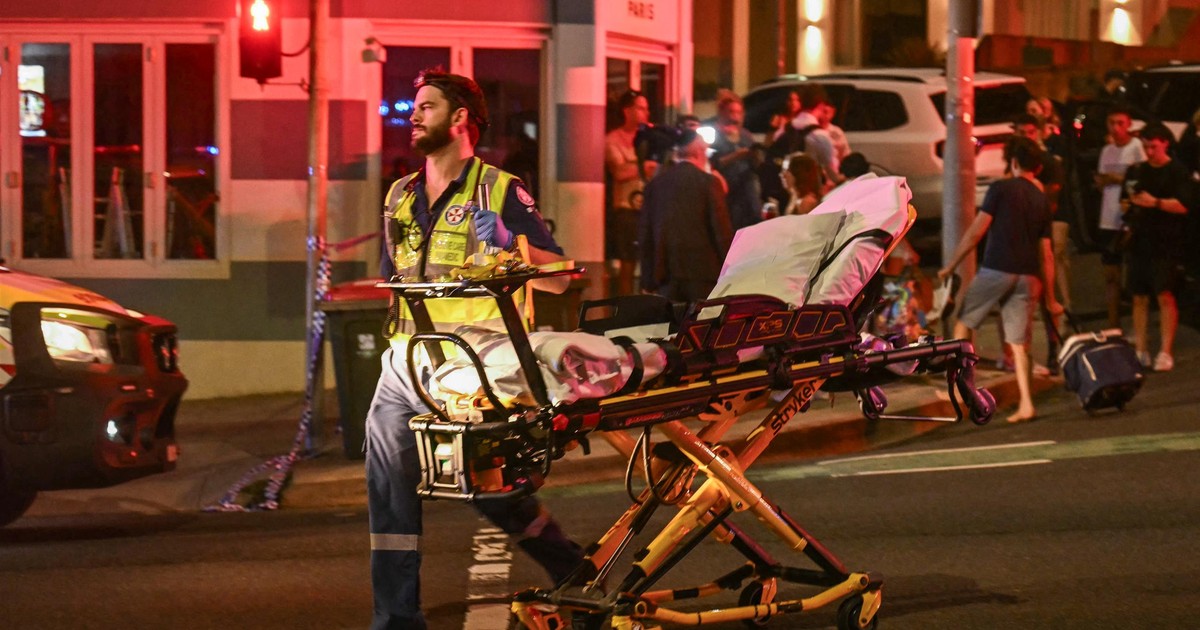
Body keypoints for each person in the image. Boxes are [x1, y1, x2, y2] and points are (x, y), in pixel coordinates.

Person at [369, 69, 582, 630]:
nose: (412, 116)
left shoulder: (500, 190)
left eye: (426, 106)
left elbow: (561, 278)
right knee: (389, 492)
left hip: (476, 366)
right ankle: (395, 619)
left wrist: (514, 244)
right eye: (413, 107)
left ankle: (573, 571)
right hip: (405, 365)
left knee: (488, 487)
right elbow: (393, 280)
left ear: (460, 118)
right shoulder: (399, 195)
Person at [938, 137, 1062, 423]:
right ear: (1038, 167)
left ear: (1013, 163)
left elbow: (976, 232)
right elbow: (1047, 253)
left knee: (964, 323)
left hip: (997, 269)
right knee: (1021, 344)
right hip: (1029, 277)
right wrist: (1051, 297)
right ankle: (1027, 404)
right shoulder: (1042, 200)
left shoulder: (1001, 189)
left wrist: (951, 266)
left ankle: (961, 388)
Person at [1120, 123, 1193, 371]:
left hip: (1166, 241)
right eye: (1145, 146)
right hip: (1140, 240)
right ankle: (1141, 349)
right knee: (1139, 297)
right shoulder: (1136, 171)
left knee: (1164, 294)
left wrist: (1156, 203)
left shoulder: (1177, 171)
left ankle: (1165, 350)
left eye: (1153, 146)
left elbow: (1184, 206)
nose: (1149, 152)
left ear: (1165, 143)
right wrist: (1129, 205)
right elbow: (1124, 200)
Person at [639, 129, 734, 301]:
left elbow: (646, 234)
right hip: (704, 274)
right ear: (699, 151)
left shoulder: (655, 185)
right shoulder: (709, 183)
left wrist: (647, 279)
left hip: (666, 275)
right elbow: (721, 231)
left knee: (671, 326)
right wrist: (731, 270)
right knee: (701, 326)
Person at [1093, 106, 1146, 329]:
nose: (1115, 128)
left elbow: (1139, 179)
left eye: (1120, 123)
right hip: (1108, 217)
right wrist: (1110, 179)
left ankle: (1138, 324)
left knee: (1135, 274)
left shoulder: (1137, 148)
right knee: (1111, 275)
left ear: (1129, 124)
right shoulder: (1106, 150)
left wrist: (1116, 178)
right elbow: (1100, 181)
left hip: (1128, 218)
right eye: (1111, 123)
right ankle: (1113, 324)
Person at [605, 89, 657, 296]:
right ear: (627, 111)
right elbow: (619, 172)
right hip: (626, 210)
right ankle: (626, 308)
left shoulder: (652, 138)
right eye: (641, 108)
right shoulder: (613, 139)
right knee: (627, 263)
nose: (646, 113)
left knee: (652, 261)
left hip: (651, 208)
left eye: (647, 108)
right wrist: (646, 166)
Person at [710, 90, 762, 231]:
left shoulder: (745, 135)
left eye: (739, 112)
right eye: (732, 112)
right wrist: (736, 156)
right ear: (722, 112)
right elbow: (712, 164)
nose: (736, 117)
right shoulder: (714, 134)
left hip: (747, 193)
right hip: (726, 192)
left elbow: (755, 165)